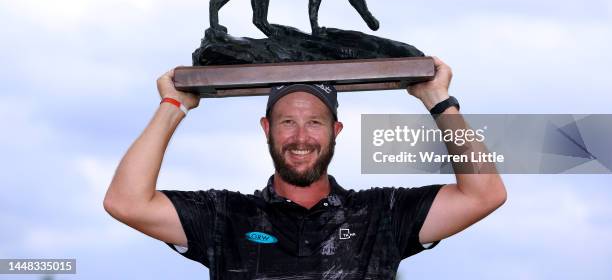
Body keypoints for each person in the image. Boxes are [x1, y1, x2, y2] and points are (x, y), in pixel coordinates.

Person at [104, 56, 506, 278]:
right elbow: (126, 202)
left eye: (314, 122)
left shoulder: (380, 215)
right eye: (287, 122)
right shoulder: (225, 217)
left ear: (335, 130)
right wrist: (171, 106)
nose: (300, 137)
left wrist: (439, 102)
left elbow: (483, 194)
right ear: (267, 129)